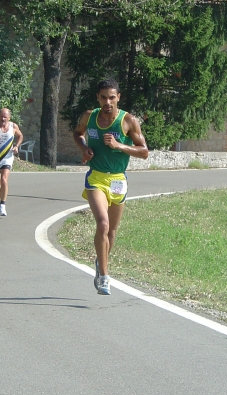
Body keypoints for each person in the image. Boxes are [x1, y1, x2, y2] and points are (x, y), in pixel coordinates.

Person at [73, 79, 148, 295]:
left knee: (112, 232)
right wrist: (84, 148)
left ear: (119, 98)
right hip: (96, 178)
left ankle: (101, 262)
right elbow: (78, 134)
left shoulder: (128, 121)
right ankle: (104, 277)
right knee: (103, 224)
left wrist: (119, 146)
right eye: (103, 97)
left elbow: (144, 152)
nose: (108, 101)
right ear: (98, 98)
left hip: (118, 180)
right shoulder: (90, 116)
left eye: (112, 97)